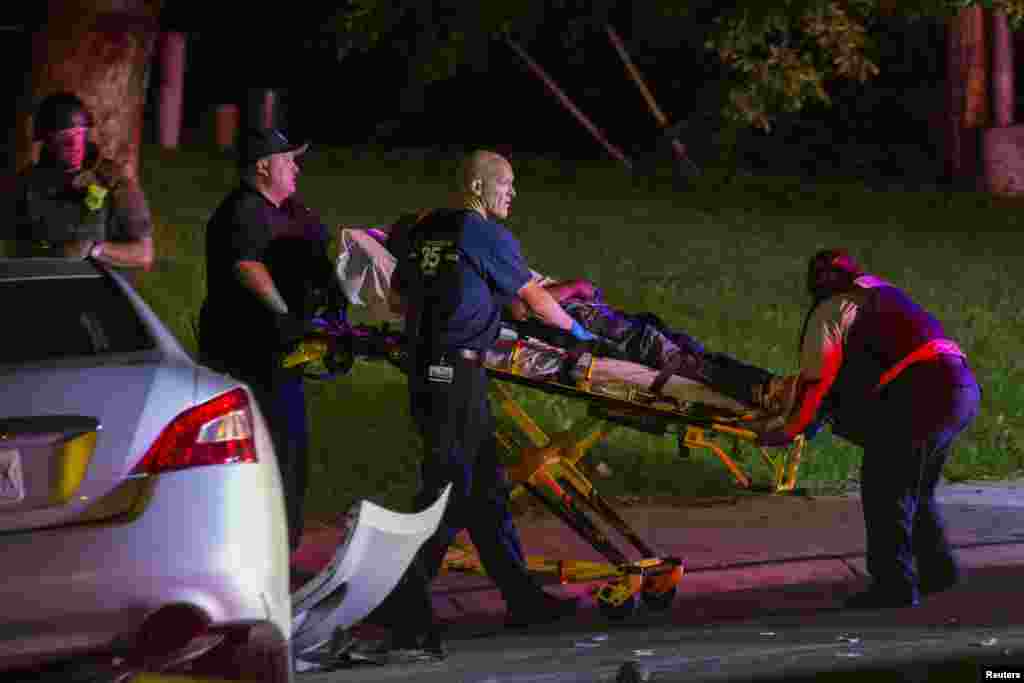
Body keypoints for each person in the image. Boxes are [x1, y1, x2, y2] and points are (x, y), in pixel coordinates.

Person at [372, 150, 594, 658]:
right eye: (506, 184)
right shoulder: (484, 233)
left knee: (485, 488)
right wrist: (579, 335)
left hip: (429, 369)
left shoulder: (426, 229)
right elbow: (533, 300)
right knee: (451, 490)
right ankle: (400, 598)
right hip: (456, 371)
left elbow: (398, 300)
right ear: (478, 186)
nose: (512, 193)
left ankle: (522, 599)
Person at [757, 248, 981, 609]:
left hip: (921, 394)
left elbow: (817, 383)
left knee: (885, 490)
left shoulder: (830, 311)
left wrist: (788, 430)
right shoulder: (882, 293)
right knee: (915, 488)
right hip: (961, 387)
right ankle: (938, 570)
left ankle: (894, 585)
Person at [198, 127, 339, 562]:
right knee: (259, 455)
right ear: (263, 166)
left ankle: (282, 547)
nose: (296, 167)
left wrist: (334, 309)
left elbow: (321, 254)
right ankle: (253, 553)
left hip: (283, 356)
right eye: (288, 159)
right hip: (245, 357)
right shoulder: (239, 213)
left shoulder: (294, 211)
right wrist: (284, 314)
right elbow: (247, 266)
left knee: (291, 452)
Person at [6, 92, 154, 269]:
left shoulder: (113, 179)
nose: (75, 146)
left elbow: (144, 254)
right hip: (45, 278)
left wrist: (94, 250)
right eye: (65, 138)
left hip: (99, 280)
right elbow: (12, 251)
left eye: (80, 135)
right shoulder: (27, 184)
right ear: (47, 140)